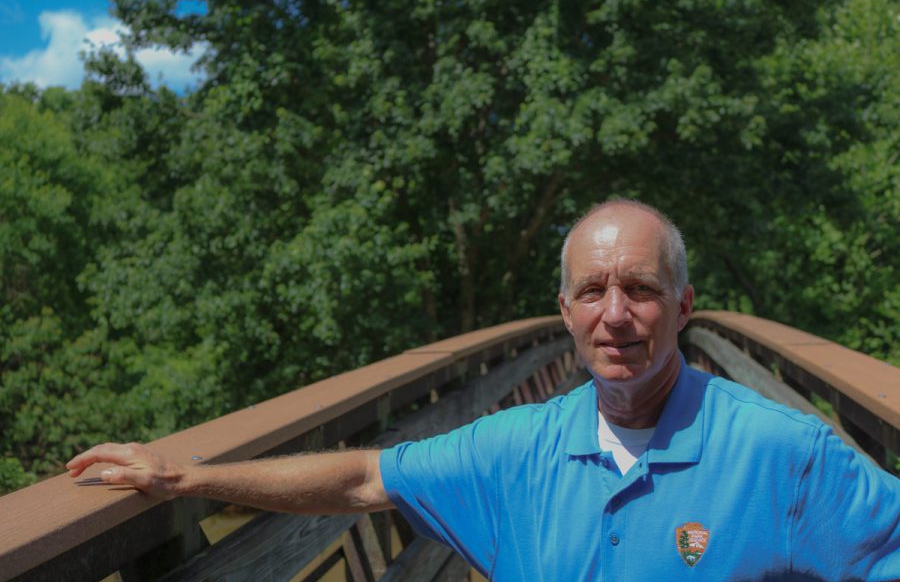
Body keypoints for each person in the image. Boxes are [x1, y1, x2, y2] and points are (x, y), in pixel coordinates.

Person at [68, 199, 900, 580]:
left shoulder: (781, 453)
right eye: (591, 293)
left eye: (640, 290)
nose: (616, 315)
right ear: (563, 314)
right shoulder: (518, 446)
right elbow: (363, 478)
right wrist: (189, 478)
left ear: (683, 308)